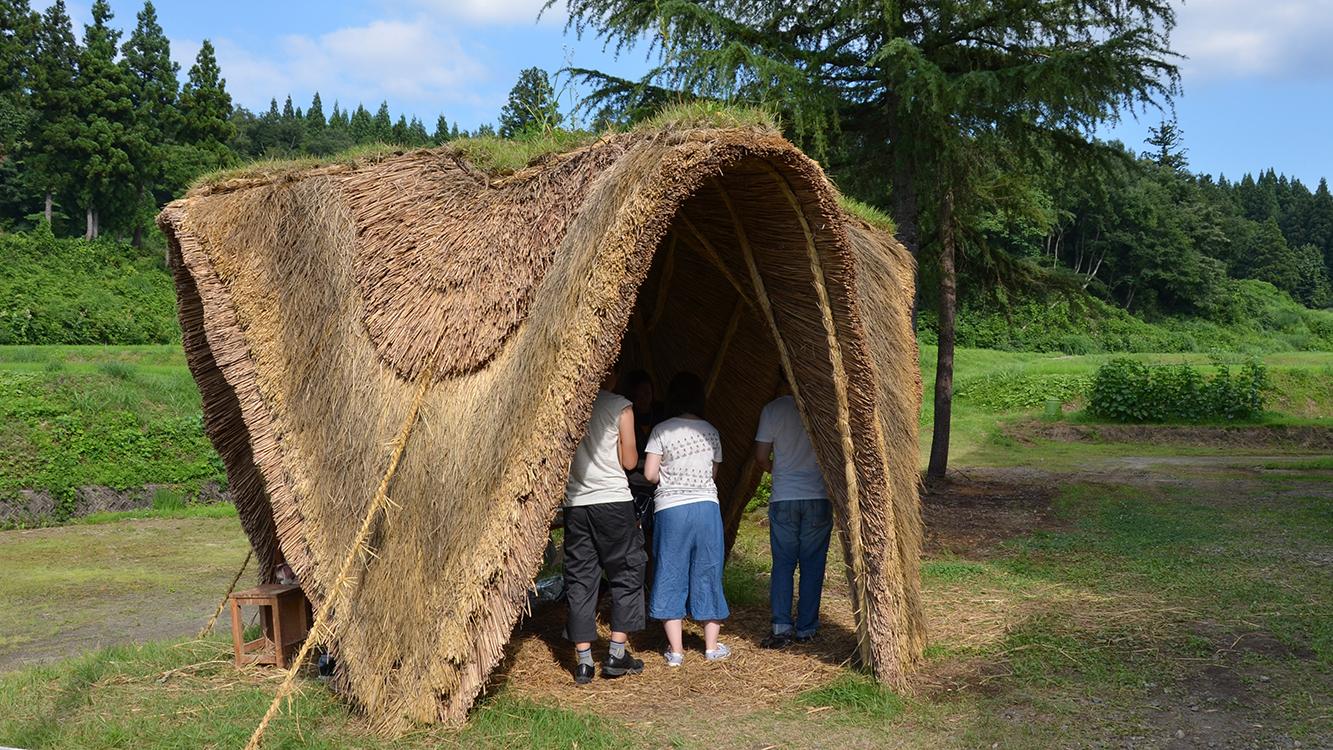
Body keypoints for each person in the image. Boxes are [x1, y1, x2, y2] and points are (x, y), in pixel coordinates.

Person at [562, 366, 647, 683]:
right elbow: (628, 462)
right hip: (613, 501)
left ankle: (584, 662)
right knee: (627, 572)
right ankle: (616, 654)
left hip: (577, 505)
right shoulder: (620, 406)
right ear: (609, 372)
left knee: (581, 578)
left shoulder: (570, 405)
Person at [643, 372, 730, 666]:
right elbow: (713, 475)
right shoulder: (712, 431)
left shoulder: (661, 430)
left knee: (669, 572)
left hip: (672, 509)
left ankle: (676, 652)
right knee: (708, 572)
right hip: (707, 508)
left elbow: (650, 474)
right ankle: (711, 647)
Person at [754, 368, 833, 649]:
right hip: (818, 498)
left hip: (783, 497)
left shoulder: (772, 410)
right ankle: (807, 629)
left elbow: (761, 457)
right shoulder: (823, 408)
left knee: (783, 564)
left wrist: (779, 472)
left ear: (783, 379)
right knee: (812, 565)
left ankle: (781, 627)